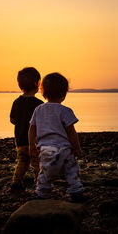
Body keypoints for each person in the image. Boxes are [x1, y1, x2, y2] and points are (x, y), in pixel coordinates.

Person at [29, 72, 85, 202]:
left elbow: (32, 129)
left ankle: (42, 193)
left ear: (43, 92)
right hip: (65, 149)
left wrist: (31, 145)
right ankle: (76, 191)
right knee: (71, 171)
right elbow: (71, 132)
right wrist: (77, 148)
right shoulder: (65, 111)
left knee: (44, 173)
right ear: (64, 93)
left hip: (46, 149)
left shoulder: (38, 109)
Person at [9, 67, 43, 192]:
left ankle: (16, 184)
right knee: (36, 164)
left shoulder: (16, 102)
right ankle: (40, 184)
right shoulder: (39, 104)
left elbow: (12, 120)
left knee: (22, 162)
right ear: (36, 84)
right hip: (34, 141)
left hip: (20, 140)